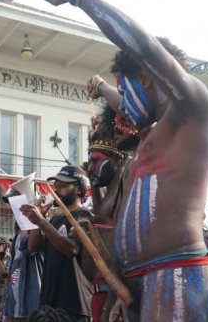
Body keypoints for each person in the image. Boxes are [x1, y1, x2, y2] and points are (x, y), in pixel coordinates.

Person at [41, 0, 208, 321]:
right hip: (139, 282)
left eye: (125, 91)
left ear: (147, 76)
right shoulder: (154, 134)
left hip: (177, 274)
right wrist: (102, 88)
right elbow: (126, 106)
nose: (121, 105)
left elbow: (148, 50)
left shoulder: (193, 108)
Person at [84, 103, 139, 322]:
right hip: (101, 287)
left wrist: (114, 299)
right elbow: (100, 217)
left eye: (95, 161)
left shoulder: (127, 180)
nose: (89, 168)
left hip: (117, 287)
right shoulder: (110, 192)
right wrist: (93, 183)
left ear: (116, 160)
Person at [21, 165, 93, 322]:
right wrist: (39, 220)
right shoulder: (55, 219)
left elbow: (73, 249)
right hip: (50, 303)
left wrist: (41, 221)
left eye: (64, 185)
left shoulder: (85, 216)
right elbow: (33, 246)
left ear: (80, 189)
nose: (58, 189)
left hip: (75, 304)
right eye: (57, 186)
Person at [5, 225, 44, 322]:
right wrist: (5, 301)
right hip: (14, 307)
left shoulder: (38, 230)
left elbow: (30, 247)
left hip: (31, 306)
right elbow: (12, 272)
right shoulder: (17, 236)